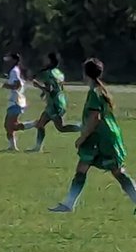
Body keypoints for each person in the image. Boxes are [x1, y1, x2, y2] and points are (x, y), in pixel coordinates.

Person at [50, 58, 136, 213]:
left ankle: (68, 204)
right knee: (84, 168)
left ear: (85, 73)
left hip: (100, 138)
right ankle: (68, 204)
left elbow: (95, 118)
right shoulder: (100, 90)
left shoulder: (94, 92)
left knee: (116, 171)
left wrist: (82, 138)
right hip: (103, 136)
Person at [21, 52, 79, 152]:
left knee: (61, 128)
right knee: (40, 124)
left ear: (50, 60)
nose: (44, 61)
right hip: (58, 101)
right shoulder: (58, 72)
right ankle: (38, 147)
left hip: (55, 105)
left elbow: (50, 89)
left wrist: (38, 86)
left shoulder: (48, 73)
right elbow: (58, 87)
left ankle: (82, 128)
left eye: (46, 59)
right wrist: (44, 94)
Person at [1, 52, 29, 152]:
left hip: (16, 101)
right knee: (8, 125)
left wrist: (6, 85)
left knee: (12, 125)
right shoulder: (16, 70)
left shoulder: (14, 71)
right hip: (16, 100)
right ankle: (12, 147)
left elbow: (17, 85)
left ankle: (34, 124)